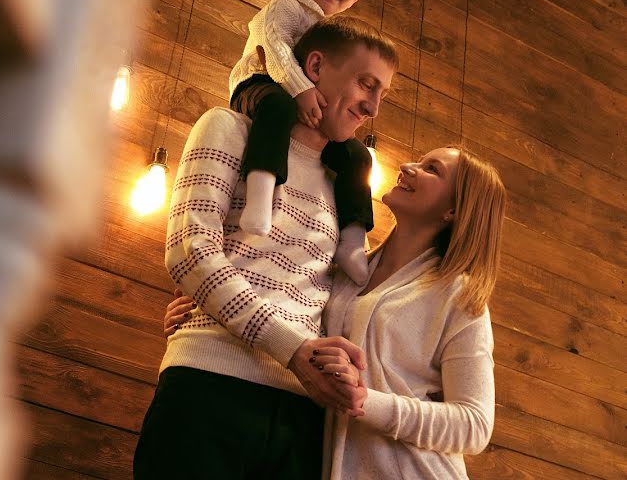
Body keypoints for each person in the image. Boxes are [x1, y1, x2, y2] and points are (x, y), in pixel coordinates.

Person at [133, 16, 398, 480]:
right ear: (314, 66)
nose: (373, 107)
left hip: (304, 413)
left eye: (383, 94)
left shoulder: (345, 184)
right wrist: (294, 350)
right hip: (208, 385)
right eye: (366, 84)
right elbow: (190, 252)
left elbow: (339, 297)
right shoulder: (228, 128)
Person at [164, 146, 506, 479]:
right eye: (420, 160)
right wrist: (202, 308)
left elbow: (474, 426)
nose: (408, 166)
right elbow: (290, 306)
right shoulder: (346, 272)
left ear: (453, 211)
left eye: (432, 169)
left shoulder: (460, 296)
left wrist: (365, 402)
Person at [229, 0, 375, 285]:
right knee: (277, 108)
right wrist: (300, 89)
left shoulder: (336, 34)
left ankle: (353, 238)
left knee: (357, 155)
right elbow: (273, 47)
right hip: (260, 86)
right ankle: (260, 196)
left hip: (305, 104)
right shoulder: (287, 7)